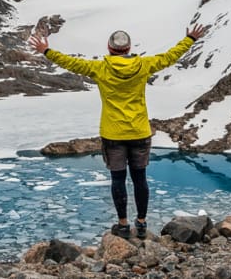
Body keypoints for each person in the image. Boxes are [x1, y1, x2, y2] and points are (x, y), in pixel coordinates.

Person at [28, 24, 207, 239]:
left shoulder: (100, 67)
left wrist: (47, 51)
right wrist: (190, 39)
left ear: (109, 48)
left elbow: (71, 63)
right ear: (129, 47)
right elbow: (170, 57)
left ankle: (122, 225)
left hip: (113, 135)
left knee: (118, 179)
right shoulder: (143, 65)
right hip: (139, 132)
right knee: (140, 179)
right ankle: (141, 223)